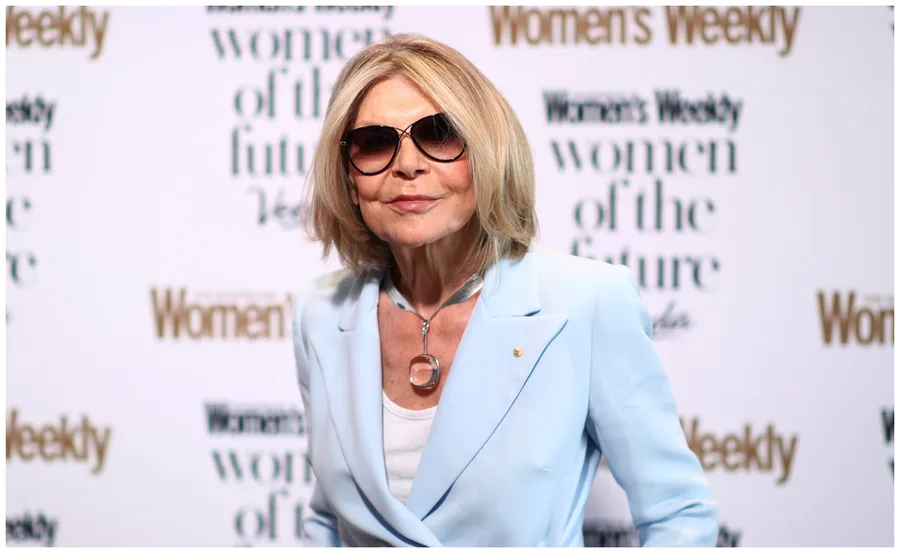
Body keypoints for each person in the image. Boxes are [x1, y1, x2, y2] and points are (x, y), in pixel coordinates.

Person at [292, 33, 718, 547]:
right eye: (376, 142)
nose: (407, 164)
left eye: (440, 133)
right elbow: (328, 520)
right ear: (348, 177)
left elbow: (679, 515)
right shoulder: (321, 314)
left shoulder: (585, 302)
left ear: (489, 153)